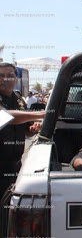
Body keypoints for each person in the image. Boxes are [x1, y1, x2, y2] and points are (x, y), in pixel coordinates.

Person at [0, 63, 46, 199]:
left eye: (10, 76)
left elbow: (26, 128)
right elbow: (6, 117)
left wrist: (32, 128)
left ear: (16, 79)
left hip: (15, 164)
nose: (5, 79)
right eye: (1, 75)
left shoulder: (19, 100)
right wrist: (41, 114)